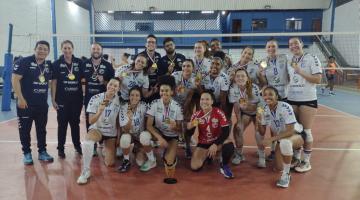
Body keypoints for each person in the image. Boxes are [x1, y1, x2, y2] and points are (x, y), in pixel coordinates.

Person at [12, 40, 54, 164]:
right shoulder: (24, 62)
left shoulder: (48, 65)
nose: (42, 51)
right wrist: (20, 98)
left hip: (41, 104)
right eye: (40, 48)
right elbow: (15, 79)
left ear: (48, 52)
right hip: (25, 103)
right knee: (24, 130)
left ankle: (42, 152)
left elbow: (51, 82)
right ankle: (27, 153)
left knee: (41, 129)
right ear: (35, 49)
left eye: (45, 49)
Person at [257, 86, 304, 188]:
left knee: (285, 143)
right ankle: (292, 159)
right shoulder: (264, 109)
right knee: (278, 167)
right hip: (280, 137)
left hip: (296, 134)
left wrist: (271, 139)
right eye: (265, 95)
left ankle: (286, 174)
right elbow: (262, 131)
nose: (267, 97)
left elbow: (290, 131)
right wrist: (259, 120)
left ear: (277, 96)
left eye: (270, 94)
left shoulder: (285, 107)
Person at [77, 78, 121, 185]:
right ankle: (86, 171)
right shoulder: (95, 98)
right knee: (88, 142)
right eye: (111, 84)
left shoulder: (120, 101)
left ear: (118, 88)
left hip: (111, 133)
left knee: (110, 163)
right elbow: (91, 121)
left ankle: (106, 148)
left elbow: (118, 121)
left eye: (115, 86)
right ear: (107, 85)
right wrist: (100, 111)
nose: (112, 87)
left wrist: (118, 137)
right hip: (98, 129)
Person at [287, 37, 322, 173]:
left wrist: (300, 71)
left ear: (301, 44)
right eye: (291, 44)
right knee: (295, 130)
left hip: (307, 99)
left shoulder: (312, 58)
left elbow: (318, 79)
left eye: (296, 43)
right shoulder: (291, 61)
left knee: (306, 131)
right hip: (292, 98)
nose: (293, 46)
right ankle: (296, 158)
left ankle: (306, 161)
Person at [187, 90, 235, 179]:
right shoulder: (196, 115)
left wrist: (215, 144)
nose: (204, 101)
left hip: (217, 141)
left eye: (207, 99)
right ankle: (209, 156)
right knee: (195, 166)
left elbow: (226, 132)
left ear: (212, 101)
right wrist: (190, 126)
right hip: (203, 143)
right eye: (202, 99)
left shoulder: (218, 112)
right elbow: (190, 133)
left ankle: (224, 165)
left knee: (229, 144)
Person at [146, 75, 183, 184]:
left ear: (172, 92)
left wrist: (175, 126)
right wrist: (159, 138)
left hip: (172, 136)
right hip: (159, 133)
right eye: (162, 91)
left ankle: (170, 153)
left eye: (167, 91)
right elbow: (148, 125)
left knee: (169, 162)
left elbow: (180, 130)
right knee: (145, 136)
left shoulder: (177, 107)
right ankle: (149, 157)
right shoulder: (154, 104)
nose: (164, 93)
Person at [258, 38, 289, 160]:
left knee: (284, 125)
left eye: (273, 46)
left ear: (277, 47)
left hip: (284, 96)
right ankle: (273, 150)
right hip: (272, 98)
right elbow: (264, 82)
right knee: (273, 125)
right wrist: (261, 74)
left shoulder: (284, 58)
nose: (271, 49)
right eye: (268, 47)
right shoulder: (264, 62)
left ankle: (285, 148)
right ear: (266, 49)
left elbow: (291, 73)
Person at [51, 40, 83, 158]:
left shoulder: (79, 62)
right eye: (65, 48)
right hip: (62, 100)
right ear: (61, 49)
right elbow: (54, 83)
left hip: (76, 100)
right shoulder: (56, 64)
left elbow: (83, 80)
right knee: (62, 124)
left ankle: (77, 145)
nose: (67, 50)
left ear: (72, 49)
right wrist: (53, 100)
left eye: (69, 48)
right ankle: (60, 148)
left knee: (75, 124)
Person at [82, 43, 115, 156]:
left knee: (105, 119)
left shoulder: (108, 65)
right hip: (89, 98)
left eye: (98, 49)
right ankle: (93, 146)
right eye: (94, 48)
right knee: (90, 121)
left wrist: (103, 81)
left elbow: (113, 83)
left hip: (103, 98)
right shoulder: (84, 63)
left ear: (101, 51)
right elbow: (80, 79)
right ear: (91, 50)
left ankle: (104, 141)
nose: (96, 50)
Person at [229, 68, 261, 166]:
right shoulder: (233, 89)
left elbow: (260, 105)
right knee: (238, 129)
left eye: (243, 76)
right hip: (246, 113)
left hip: (258, 112)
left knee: (259, 132)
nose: (240, 78)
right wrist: (239, 121)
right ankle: (239, 154)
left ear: (247, 78)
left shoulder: (254, 88)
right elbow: (236, 106)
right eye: (238, 76)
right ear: (234, 78)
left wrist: (258, 119)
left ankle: (262, 155)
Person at [117, 87, 150, 172]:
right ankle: (126, 160)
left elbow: (148, 124)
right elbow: (126, 130)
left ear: (140, 97)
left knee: (140, 162)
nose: (134, 97)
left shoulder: (144, 106)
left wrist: (142, 145)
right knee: (125, 138)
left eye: (137, 95)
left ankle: (139, 150)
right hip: (130, 135)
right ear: (129, 96)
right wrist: (130, 118)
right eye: (132, 95)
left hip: (140, 137)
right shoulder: (124, 107)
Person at [171, 59, 198, 159]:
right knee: (172, 123)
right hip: (174, 102)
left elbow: (190, 96)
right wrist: (176, 109)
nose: (186, 68)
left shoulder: (195, 79)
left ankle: (187, 144)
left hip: (188, 102)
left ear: (193, 68)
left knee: (193, 122)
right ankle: (172, 144)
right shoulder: (175, 75)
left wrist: (184, 109)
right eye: (184, 66)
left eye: (188, 66)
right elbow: (171, 93)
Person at [137, 34, 161, 103]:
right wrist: (147, 72)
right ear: (145, 44)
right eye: (149, 42)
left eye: (153, 42)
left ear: (156, 45)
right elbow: (135, 70)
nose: (150, 44)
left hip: (155, 85)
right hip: (143, 85)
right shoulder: (140, 55)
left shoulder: (158, 55)